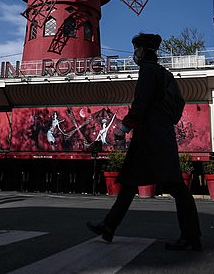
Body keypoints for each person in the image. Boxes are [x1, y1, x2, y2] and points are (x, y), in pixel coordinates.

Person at [86, 33, 202, 251]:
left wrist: (123, 128)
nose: (135, 54)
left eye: (137, 49)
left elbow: (141, 102)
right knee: (131, 182)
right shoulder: (160, 72)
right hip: (156, 136)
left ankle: (191, 236)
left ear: (142, 51)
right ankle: (109, 227)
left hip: (152, 138)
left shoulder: (148, 71)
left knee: (175, 186)